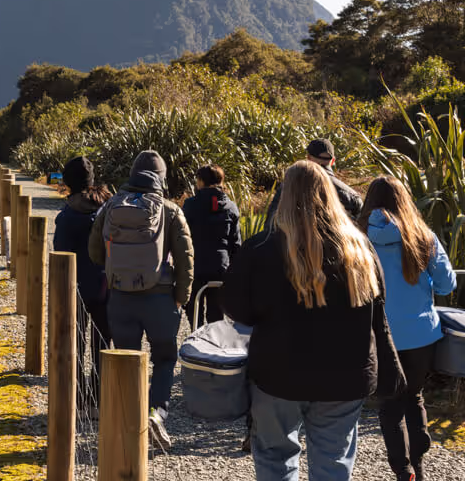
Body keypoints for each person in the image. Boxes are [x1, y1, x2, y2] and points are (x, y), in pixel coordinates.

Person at [223, 161, 402, 481]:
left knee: (275, 457)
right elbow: (377, 310)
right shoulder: (360, 249)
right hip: (346, 375)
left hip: (277, 373)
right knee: (333, 462)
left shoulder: (262, 249)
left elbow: (238, 311)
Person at [88, 150, 193, 450]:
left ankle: (127, 425)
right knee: (164, 358)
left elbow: (95, 251)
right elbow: (186, 259)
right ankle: (155, 412)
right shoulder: (171, 210)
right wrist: (180, 299)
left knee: (126, 360)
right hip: (160, 299)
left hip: (121, 296)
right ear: (162, 177)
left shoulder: (111, 205)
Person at [361, 176, 457, 481]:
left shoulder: (356, 237)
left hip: (377, 334)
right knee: (414, 396)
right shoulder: (423, 237)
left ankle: (403, 472)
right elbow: (446, 283)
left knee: (389, 404)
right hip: (420, 334)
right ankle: (419, 464)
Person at [52, 155, 112, 412]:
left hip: (74, 287)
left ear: (68, 182)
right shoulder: (107, 207)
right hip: (104, 286)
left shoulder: (67, 215)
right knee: (103, 343)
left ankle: (76, 395)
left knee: (76, 343)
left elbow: (60, 250)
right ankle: (99, 397)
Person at [182, 165, 241, 327]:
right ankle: (214, 345)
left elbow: (183, 237)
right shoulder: (231, 207)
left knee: (194, 312)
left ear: (200, 181)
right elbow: (236, 244)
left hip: (196, 266)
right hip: (221, 267)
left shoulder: (190, 205)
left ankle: (196, 341)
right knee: (216, 314)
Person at [264, 138, 361, 229]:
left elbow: (270, 224)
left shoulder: (289, 186)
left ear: (308, 158)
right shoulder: (352, 196)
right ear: (333, 161)